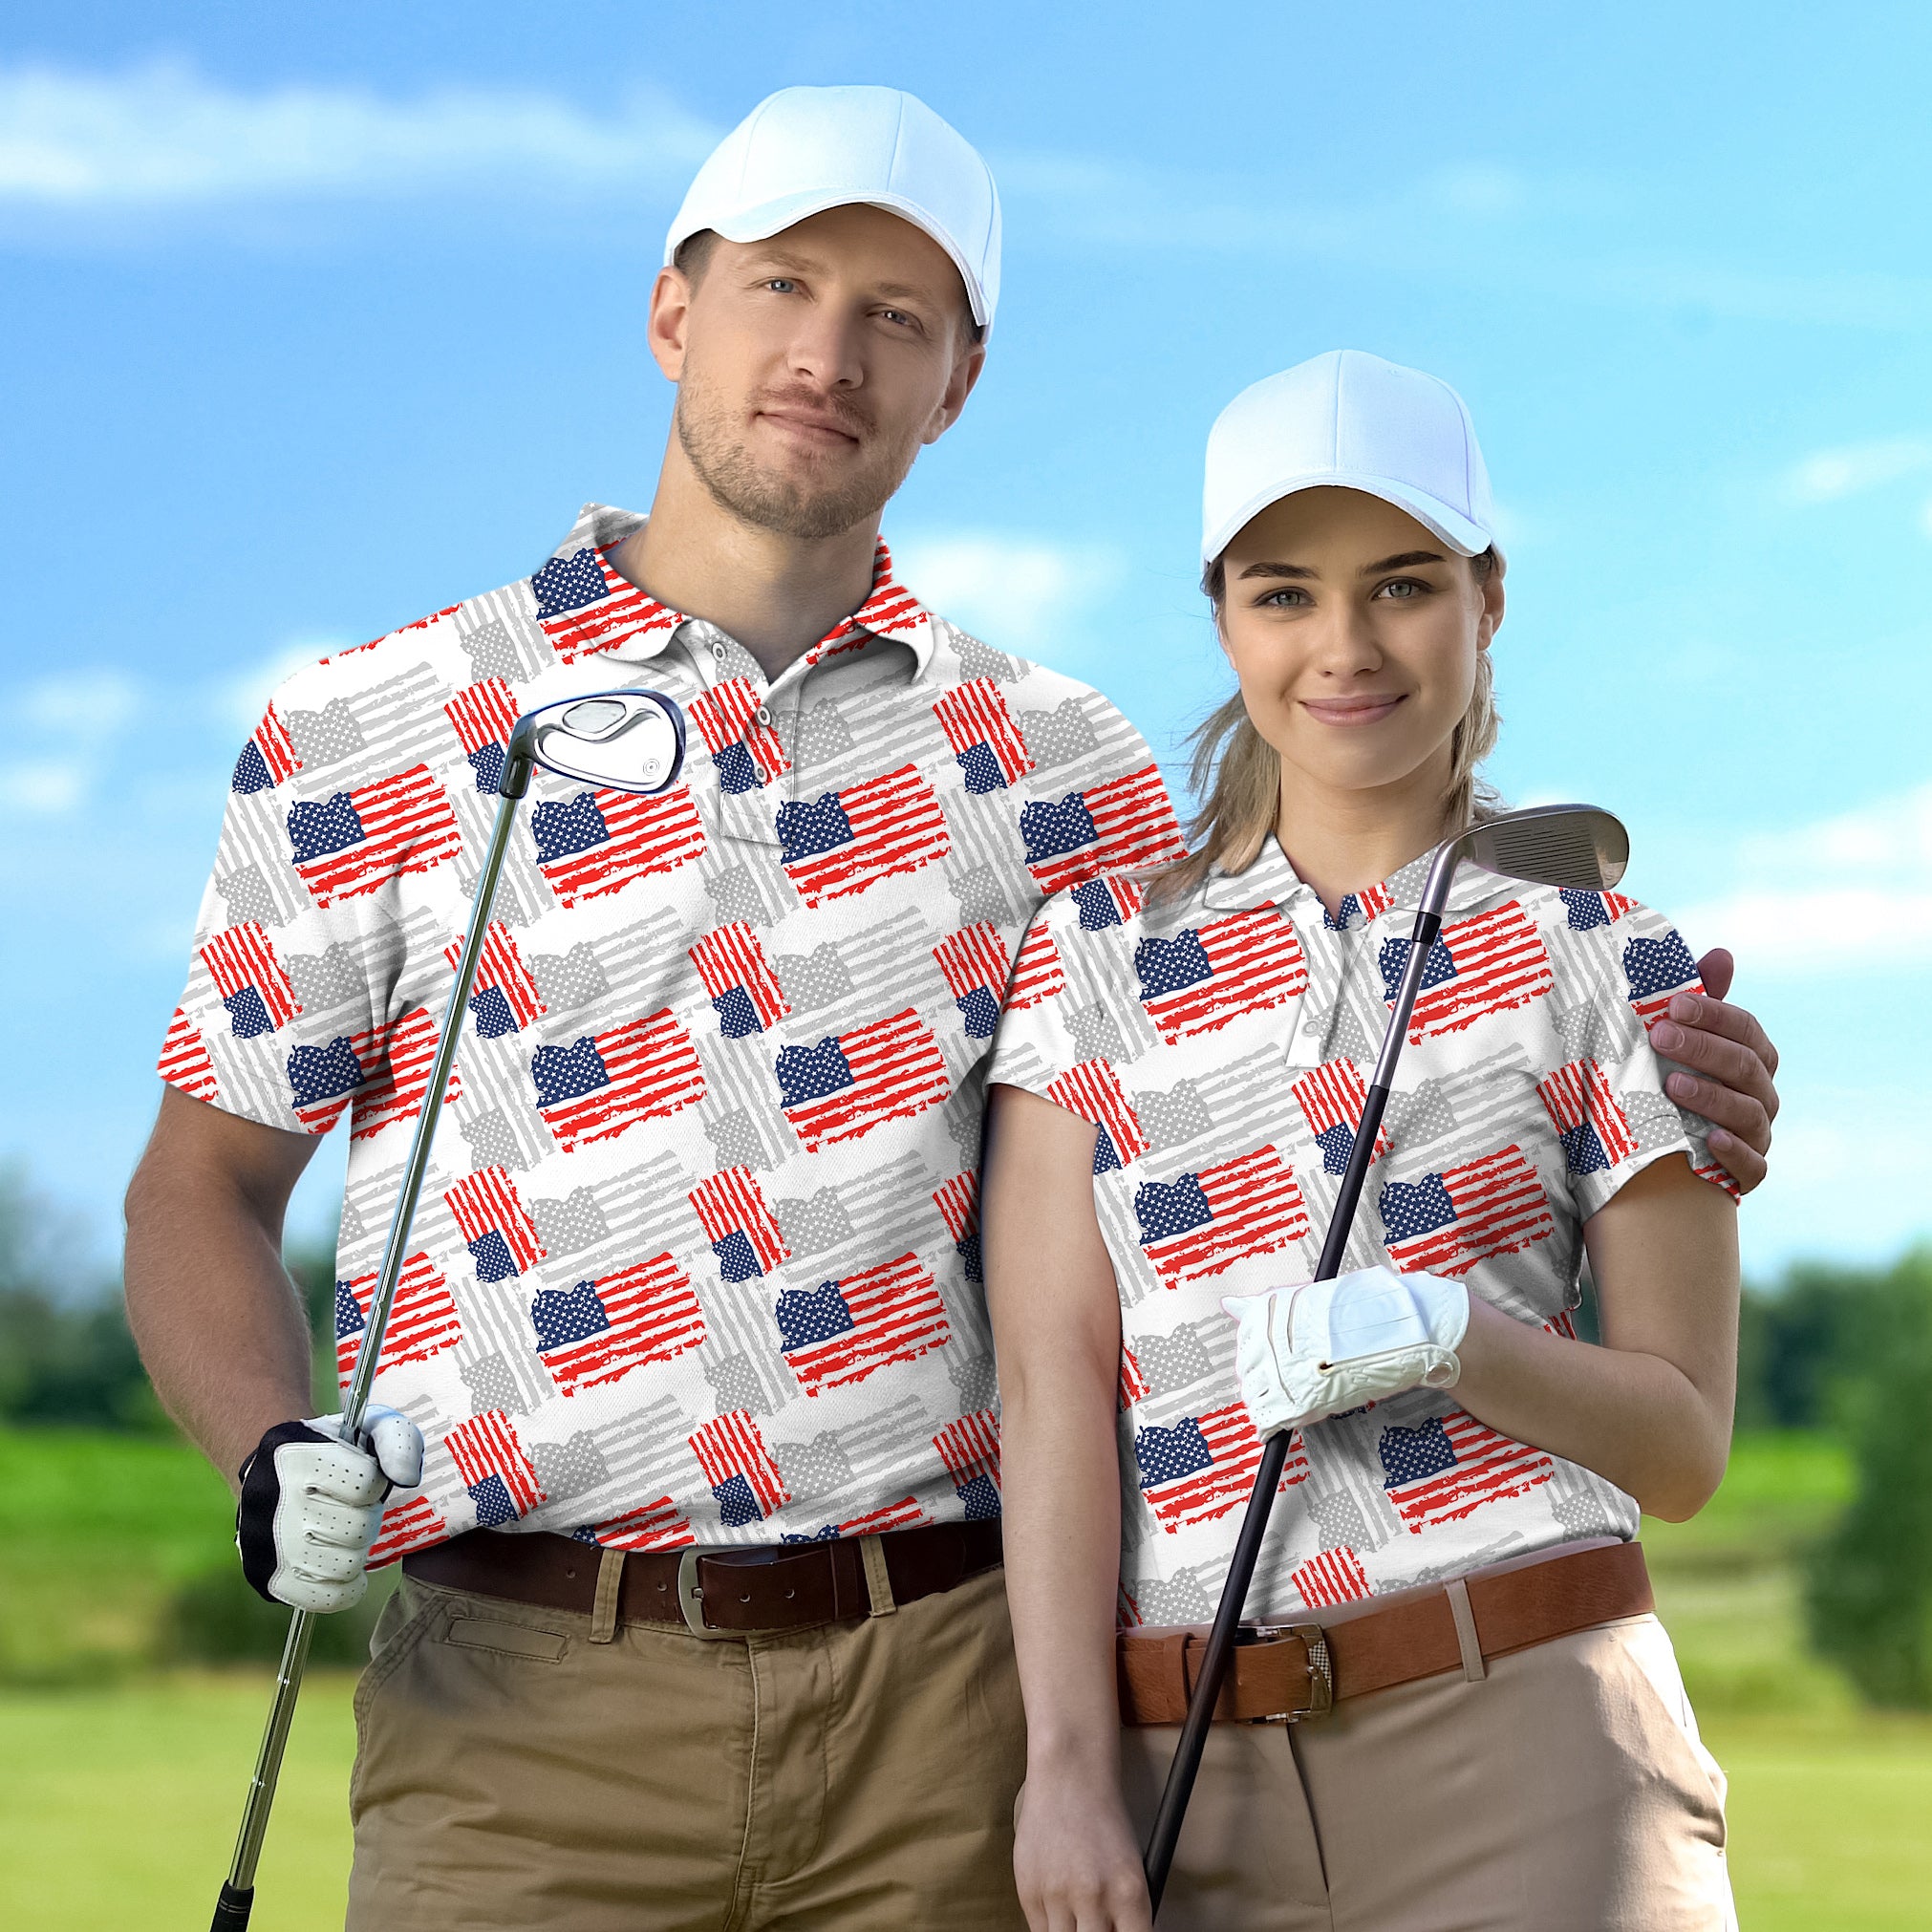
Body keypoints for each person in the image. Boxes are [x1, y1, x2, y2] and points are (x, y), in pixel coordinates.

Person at [119, 82, 1777, 1928]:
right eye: (781, 286)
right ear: (673, 309)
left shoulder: (1064, 771)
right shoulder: (378, 725)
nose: (827, 354)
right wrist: (269, 1452)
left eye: (894, 316)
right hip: (517, 1704)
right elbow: (198, 1187)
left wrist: (1665, 1069)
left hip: (945, 1701)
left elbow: (1287, 1033)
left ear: (960, 379)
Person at [983, 351, 1750, 1930]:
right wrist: (1062, 1762)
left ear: (1485, 600)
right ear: (1220, 618)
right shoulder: (1083, 966)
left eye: (1400, 585)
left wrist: (1446, 1335)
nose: (1343, 647)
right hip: (1190, 1774)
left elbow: (1679, 1448)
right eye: (1283, 594)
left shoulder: (1612, 953)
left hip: (1531, 1733)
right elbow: (1050, 1386)